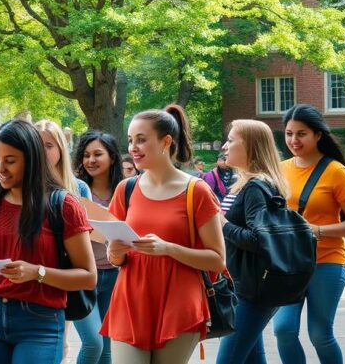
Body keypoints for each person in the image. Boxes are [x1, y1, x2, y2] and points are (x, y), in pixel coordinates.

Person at [102, 104, 225, 364]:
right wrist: (115, 254)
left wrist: (168, 248)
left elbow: (217, 260)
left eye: (141, 140)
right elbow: (116, 256)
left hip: (179, 304)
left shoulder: (197, 191)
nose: (133, 147)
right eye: (131, 140)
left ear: (166, 141)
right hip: (130, 301)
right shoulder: (126, 189)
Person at [0, 120, 96, 363]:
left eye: (10, 161)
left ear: (32, 160)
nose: (0, 168)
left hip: (41, 321)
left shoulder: (64, 205)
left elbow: (89, 277)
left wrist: (37, 272)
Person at [274, 104, 345, 364]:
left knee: (319, 334)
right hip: (289, 263)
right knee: (283, 329)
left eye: (301, 133)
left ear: (317, 135)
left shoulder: (336, 172)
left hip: (327, 262)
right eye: (289, 133)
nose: (294, 140)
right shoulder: (280, 169)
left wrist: (318, 230)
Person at [214, 119, 293, 364]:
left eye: (231, 140)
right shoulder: (247, 184)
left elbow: (259, 240)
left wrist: (223, 224)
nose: (225, 147)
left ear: (251, 146)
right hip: (246, 287)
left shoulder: (255, 188)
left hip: (253, 292)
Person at [34, 120, 91, 362]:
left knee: (62, 344)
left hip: (64, 277)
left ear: (60, 148)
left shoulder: (78, 189)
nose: (43, 151)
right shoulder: (23, 187)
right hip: (29, 280)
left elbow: (85, 244)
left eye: (49, 145)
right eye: (37, 145)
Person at [73, 130, 126, 364]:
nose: (91, 160)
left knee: (106, 347)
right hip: (83, 277)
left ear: (112, 157)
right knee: (92, 342)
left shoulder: (124, 191)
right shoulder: (75, 191)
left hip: (115, 275)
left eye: (97, 154)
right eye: (86, 155)